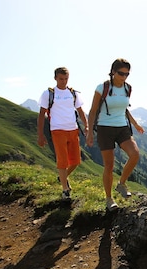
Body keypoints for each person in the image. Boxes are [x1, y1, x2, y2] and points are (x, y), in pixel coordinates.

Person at [86, 58, 144, 211]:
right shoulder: (102, 88)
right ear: (113, 72)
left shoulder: (128, 88)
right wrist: (89, 132)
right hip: (105, 128)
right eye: (121, 73)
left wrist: (135, 123)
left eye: (127, 74)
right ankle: (109, 198)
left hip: (122, 127)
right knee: (109, 166)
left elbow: (124, 108)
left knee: (135, 154)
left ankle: (121, 183)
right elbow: (92, 111)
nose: (124, 77)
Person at [37, 67, 88, 200]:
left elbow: (80, 110)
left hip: (73, 129)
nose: (63, 81)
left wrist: (86, 125)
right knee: (63, 160)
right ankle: (65, 190)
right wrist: (40, 135)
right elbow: (42, 114)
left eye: (66, 79)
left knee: (76, 161)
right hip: (57, 129)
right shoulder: (48, 94)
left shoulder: (73, 93)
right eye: (61, 79)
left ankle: (62, 178)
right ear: (55, 78)